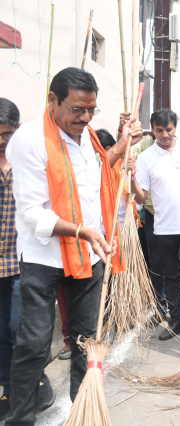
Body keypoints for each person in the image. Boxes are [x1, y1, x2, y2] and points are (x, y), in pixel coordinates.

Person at [5, 67, 140, 424]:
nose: (84, 117)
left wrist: (123, 145)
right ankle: (20, 418)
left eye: (91, 110)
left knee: (86, 343)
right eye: (77, 109)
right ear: (53, 100)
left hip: (88, 256)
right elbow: (33, 212)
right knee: (33, 345)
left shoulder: (89, 137)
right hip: (43, 258)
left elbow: (96, 180)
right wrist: (82, 231)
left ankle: (84, 415)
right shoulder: (30, 139)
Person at [129, 109, 180, 341]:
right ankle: (176, 319)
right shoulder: (145, 158)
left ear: (176, 128)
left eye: (169, 129)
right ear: (152, 130)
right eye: (159, 130)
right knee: (171, 274)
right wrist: (131, 177)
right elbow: (141, 198)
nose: (164, 134)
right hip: (164, 228)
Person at [0, 99, 55, 421]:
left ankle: (36, 380)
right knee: (1, 331)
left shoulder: (29, 159)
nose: (1, 141)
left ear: (17, 130)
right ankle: (10, 385)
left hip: (24, 258)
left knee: (23, 328)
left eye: (6, 134)